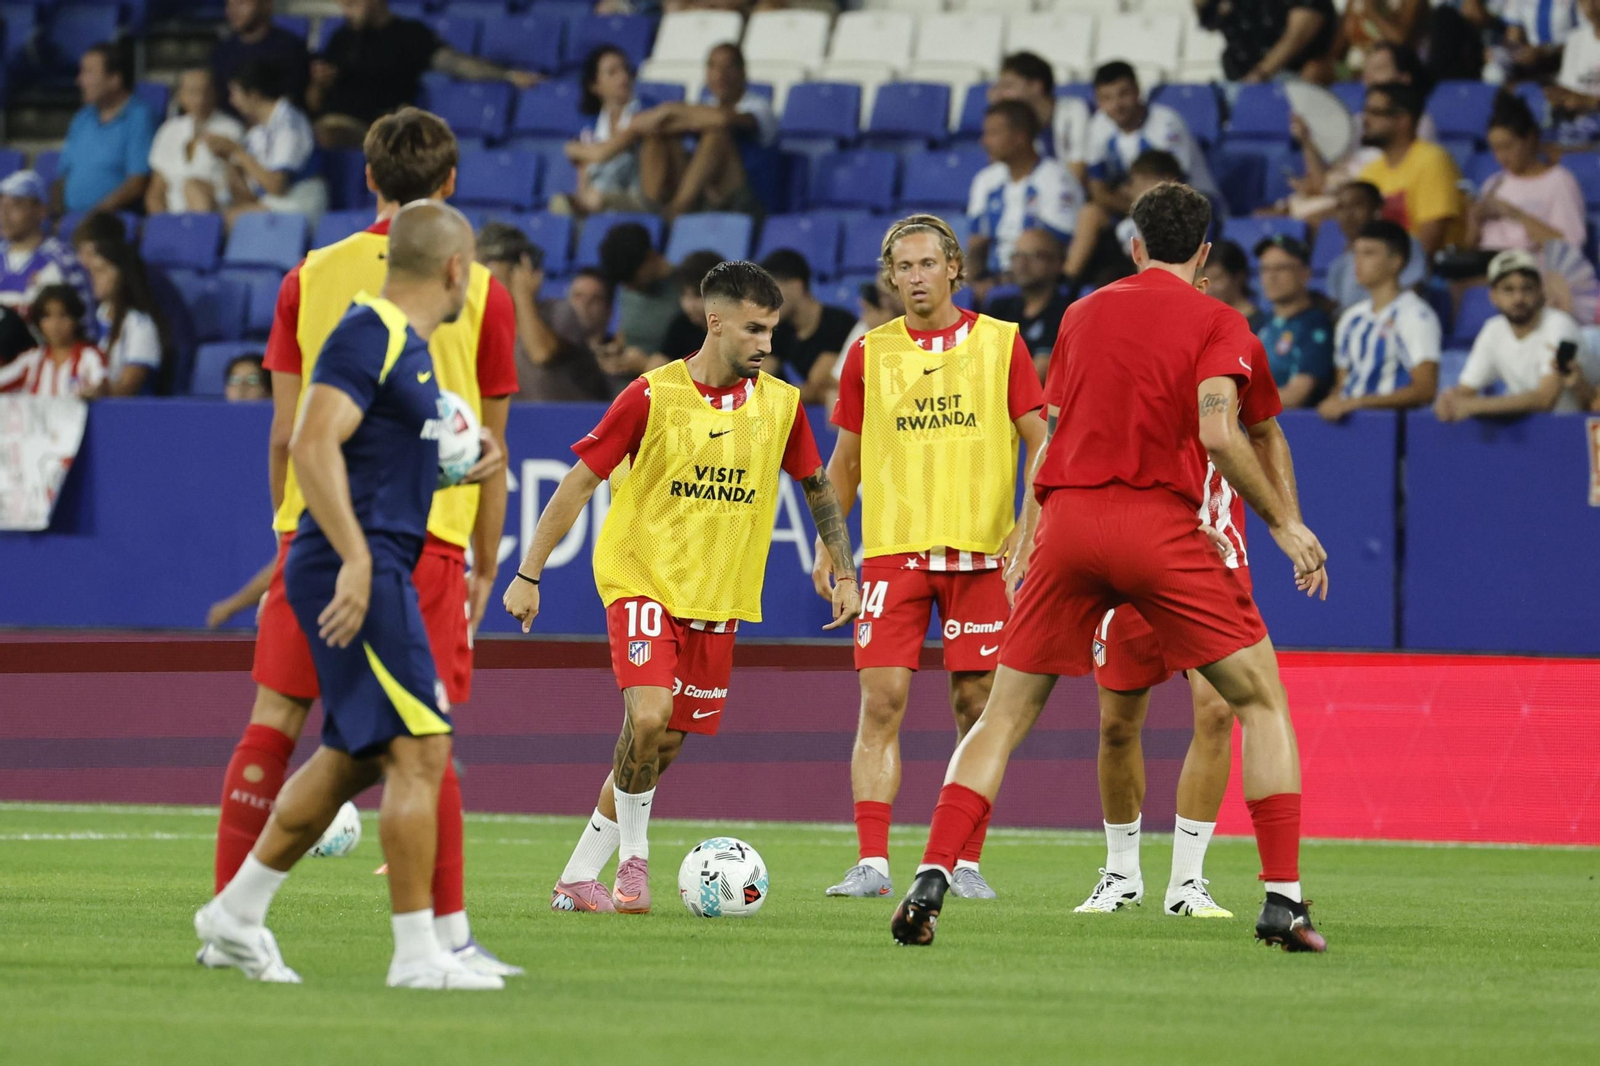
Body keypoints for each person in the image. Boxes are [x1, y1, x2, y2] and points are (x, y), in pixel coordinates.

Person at [889, 181, 1329, 953]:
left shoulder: (1081, 314)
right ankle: (1283, 901)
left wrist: (1028, 540)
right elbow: (1224, 434)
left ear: (1133, 246)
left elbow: (1051, 442)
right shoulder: (1219, 320)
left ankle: (931, 876)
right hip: (1159, 526)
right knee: (1259, 703)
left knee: (1002, 717)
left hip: (1069, 527)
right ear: (1205, 254)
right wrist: (1287, 525)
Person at [203, 107, 520, 979]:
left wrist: (462, 466)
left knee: (347, 755)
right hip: (364, 562)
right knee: (422, 748)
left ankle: (234, 913)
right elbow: (308, 440)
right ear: (456, 268)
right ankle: (424, 950)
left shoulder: (391, 335)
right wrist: (345, 554)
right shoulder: (373, 330)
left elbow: (353, 450)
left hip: (372, 546)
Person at [503, 261, 861, 915]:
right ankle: (635, 861)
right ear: (715, 322)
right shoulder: (651, 395)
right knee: (648, 715)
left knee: (659, 747)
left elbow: (818, 488)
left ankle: (579, 875)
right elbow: (579, 481)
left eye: (772, 331)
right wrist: (529, 571)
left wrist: (843, 570)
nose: (765, 344)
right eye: (754, 330)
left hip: (717, 597)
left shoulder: (779, 405)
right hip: (640, 578)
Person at [1073, 274, 1322, 922]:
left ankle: (1187, 882)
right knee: (1117, 721)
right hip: (1135, 548)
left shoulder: (1227, 342)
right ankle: (1121, 872)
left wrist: (1289, 524)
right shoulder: (1116, 344)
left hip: (1215, 554)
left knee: (1217, 712)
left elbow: (1265, 433)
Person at [814, 214, 1047, 902]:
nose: (915, 278)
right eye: (903, 268)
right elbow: (845, 462)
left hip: (981, 554)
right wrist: (835, 549)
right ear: (891, 278)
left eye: (927, 265)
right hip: (893, 553)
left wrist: (1028, 528)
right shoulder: (868, 354)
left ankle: (962, 862)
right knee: (880, 702)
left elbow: (1044, 441)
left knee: (976, 706)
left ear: (954, 268)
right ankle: (872, 864)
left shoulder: (1002, 344)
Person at [308, 0, 540, 149]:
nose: (346, 9)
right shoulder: (341, 37)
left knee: (327, 132)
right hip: (333, 125)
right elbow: (314, 98)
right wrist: (319, 84)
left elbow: (457, 64)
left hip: (381, 127)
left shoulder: (409, 35)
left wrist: (507, 75)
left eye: (353, 3)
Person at [1435, 249, 1596, 419]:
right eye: (1508, 289)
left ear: (1541, 291)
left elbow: (1545, 399)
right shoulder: (1493, 330)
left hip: (1573, 433)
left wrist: (1473, 405)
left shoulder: (1559, 325)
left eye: (1527, 288)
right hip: (1529, 432)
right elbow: (1465, 391)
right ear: (1493, 296)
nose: (1518, 298)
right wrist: (1449, 402)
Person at [633, 43, 778, 219]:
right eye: (712, 66)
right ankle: (651, 211)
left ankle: (677, 211)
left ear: (743, 72)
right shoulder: (705, 106)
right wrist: (666, 113)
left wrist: (670, 110)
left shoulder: (760, 106)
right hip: (703, 194)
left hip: (744, 197)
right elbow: (643, 124)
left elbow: (724, 119)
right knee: (660, 135)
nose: (719, 75)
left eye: (728, 66)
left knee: (717, 134)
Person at [476, 221, 610, 402]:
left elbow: (541, 353)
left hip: (577, 423)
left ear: (521, 271)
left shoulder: (561, 313)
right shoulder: (486, 327)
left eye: (492, 278)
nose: (483, 287)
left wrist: (522, 294)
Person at [1320, 219, 1440, 420]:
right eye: (1355, 253)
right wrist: (1333, 401)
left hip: (1392, 430)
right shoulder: (1351, 318)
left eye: (1369, 253)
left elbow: (1425, 390)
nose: (1357, 262)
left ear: (1396, 262)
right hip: (1350, 427)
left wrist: (1359, 403)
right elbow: (1343, 384)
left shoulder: (1416, 315)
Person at [966, 101, 1082, 278]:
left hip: (1039, 281)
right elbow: (976, 242)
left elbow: (1056, 245)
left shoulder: (1057, 179)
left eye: (993, 133)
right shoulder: (985, 180)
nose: (984, 141)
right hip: (992, 277)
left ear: (1020, 137)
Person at [1357, 81, 1465, 258]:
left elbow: (1429, 243)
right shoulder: (1370, 172)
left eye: (1375, 113)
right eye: (1365, 111)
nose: (1365, 120)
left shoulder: (1432, 160)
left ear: (1403, 120)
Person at [1467, 93, 1586, 253]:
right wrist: (1474, 220)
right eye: (1495, 149)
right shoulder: (1493, 183)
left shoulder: (1559, 181)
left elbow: (1569, 247)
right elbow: (1469, 247)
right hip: (1487, 269)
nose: (1501, 157)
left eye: (1508, 146)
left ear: (1530, 139)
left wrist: (1513, 213)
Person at [1082, 62, 1217, 202]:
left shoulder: (1166, 123)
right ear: (1098, 101)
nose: (1117, 105)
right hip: (1137, 204)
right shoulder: (1098, 124)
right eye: (1107, 98)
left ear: (1137, 90)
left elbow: (1174, 185)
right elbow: (1097, 186)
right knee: (1091, 213)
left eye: (1124, 94)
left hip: (1191, 203)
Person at [213, 61, 327, 226]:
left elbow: (277, 186)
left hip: (300, 204)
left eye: (234, 93)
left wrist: (237, 151)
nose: (231, 101)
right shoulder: (256, 133)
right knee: (217, 219)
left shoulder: (289, 123)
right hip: (273, 204)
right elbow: (247, 194)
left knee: (233, 220)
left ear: (253, 95)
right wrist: (227, 158)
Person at [55, 42, 155, 215]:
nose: (79, 81)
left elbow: (137, 182)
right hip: (72, 220)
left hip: (111, 223)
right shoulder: (82, 118)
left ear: (114, 80)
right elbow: (64, 176)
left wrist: (94, 217)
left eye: (88, 73)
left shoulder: (139, 117)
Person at [760, 248, 856, 403]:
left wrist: (773, 395)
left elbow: (817, 387)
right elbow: (758, 381)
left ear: (797, 286)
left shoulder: (838, 324)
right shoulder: (778, 329)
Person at [147, 69, 247, 216]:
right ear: (180, 96)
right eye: (193, 92)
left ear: (215, 94)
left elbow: (240, 190)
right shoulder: (168, 130)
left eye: (205, 92)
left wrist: (227, 157)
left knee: (193, 187)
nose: (200, 99)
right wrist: (165, 225)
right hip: (173, 218)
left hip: (215, 214)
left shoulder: (231, 129)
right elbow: (155, 192)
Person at [562, 46, 646, 216]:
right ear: (595, 85)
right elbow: (583, 173)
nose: (623, 77)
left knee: (600, 200)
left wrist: (576, 149)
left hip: (636, 196)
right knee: (561, 204)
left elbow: (601, 154)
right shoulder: (589, 125)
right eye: (612, 72)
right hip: (597, 197)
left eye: (625, 69)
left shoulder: (645, 112)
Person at [1253, 235, 1335, 407]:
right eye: (1265, 269)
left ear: (1305, 274)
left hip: (1292, 428)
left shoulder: (1315, 325)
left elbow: (1296, 395)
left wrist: (1233, 406)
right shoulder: (1259, 324)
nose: (1271, 277)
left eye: (1281, 268)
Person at [80, 237, 168, 397]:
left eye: (101, 271)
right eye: (91, 271)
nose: (93, 278)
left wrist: (97, 392)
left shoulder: (140, 324)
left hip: (131, 413)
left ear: (122, 275)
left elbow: (128, 387)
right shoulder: (94, 317)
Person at [0, 171, 92, 317]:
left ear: (40, 210)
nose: (3, 214)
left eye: (14, 205)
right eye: (1, 205)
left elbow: (84, 321)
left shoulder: (64, 260)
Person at [988, 51, 1089, 184]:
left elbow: (1077, 172)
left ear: (1036, 86)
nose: (1000, 95)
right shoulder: (1018, 126)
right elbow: (1004, 176)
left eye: (1008, 86)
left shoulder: (1073, 110)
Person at [1324, 181, 1427, 310]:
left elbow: (1411, 297)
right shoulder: (1338, 264)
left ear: (1377, 208)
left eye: (1357, 205)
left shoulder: (1404, 244)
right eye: (1341, 207)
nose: (1347, 215)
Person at [984, 228, 1071, 380]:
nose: (1022, 264)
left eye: (1034, 256)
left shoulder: (1066, 314)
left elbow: (1035, 378)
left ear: (1058, 263)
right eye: (1017, 256)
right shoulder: (998, 308)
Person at [0, 285, 105, 398]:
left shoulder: (90, 355)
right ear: (39, 322)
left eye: (63, 315)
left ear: (75, 319)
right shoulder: (31, 361)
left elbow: (102, 386)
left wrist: (93, 392)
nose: (55, 324)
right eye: (47, 316)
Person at [1198, 0, 1338, 84]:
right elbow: (1208, 20)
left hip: (1289, 78)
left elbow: (1302, 30)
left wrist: (1261, 73)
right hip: (1237, 78)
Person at [212, 0, 311, 116]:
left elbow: (296, 99)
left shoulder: (290, 48)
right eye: (229, 4)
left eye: (242, 3)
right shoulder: (221, 52)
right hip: (230, 128)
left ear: (266, 5)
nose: (233, 11)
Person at [599, 222, 679, 358]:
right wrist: (615, 349)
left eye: (631, 280)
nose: (628, 288)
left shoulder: (686, 292)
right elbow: (624, 332)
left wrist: (644, 364)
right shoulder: (627, 283)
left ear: (650, 258)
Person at [656, 250, 725, 364]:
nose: (688, 305)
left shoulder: (743, 329)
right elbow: (657, 366)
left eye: (697, 295)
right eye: (684, 294)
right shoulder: (681, 323)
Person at [1547, 0, 1600, 147]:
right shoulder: (1576, 39)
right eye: (1584, 1)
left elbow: (1584, 100)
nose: (1590, 5)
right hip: (1575, 124)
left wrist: (1591, 102)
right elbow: (1568, 89)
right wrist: (1560, 97)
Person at [1200, 239, 1261, 325]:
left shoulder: (1261, 326)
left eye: (1217, 278)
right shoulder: (1206, 323)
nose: (1209, 287)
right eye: (1205, 278)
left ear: (1239, 277)